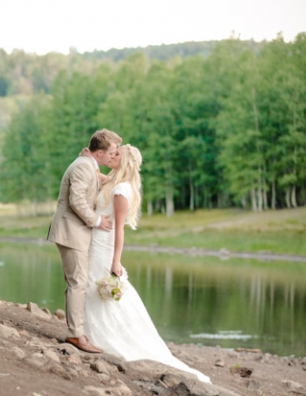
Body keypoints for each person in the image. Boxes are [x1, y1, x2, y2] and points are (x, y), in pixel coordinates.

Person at [84, 144, 211, 382]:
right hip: (95, 241)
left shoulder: (122, 189)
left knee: (97, 289)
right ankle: (89, 334)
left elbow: (119, 230)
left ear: (125, 162)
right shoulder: (113, 182)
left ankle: (101, 338)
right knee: (90, 286)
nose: (112, 155)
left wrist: (116, 262)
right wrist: (90, 159)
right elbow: (98, 177)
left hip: (104, 246)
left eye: (117, 154)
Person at [47, 129, 121, 354]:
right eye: (112, 153)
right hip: (71, 231)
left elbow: (95, 184)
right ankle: (76, 335)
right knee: (77, 282)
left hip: (76, 232)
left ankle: (77, 331)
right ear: (99, 153)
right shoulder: (82, 166)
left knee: (77, 281)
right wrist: (97, 220)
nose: (112, 156)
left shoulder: (89, 164)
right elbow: (76, 199)